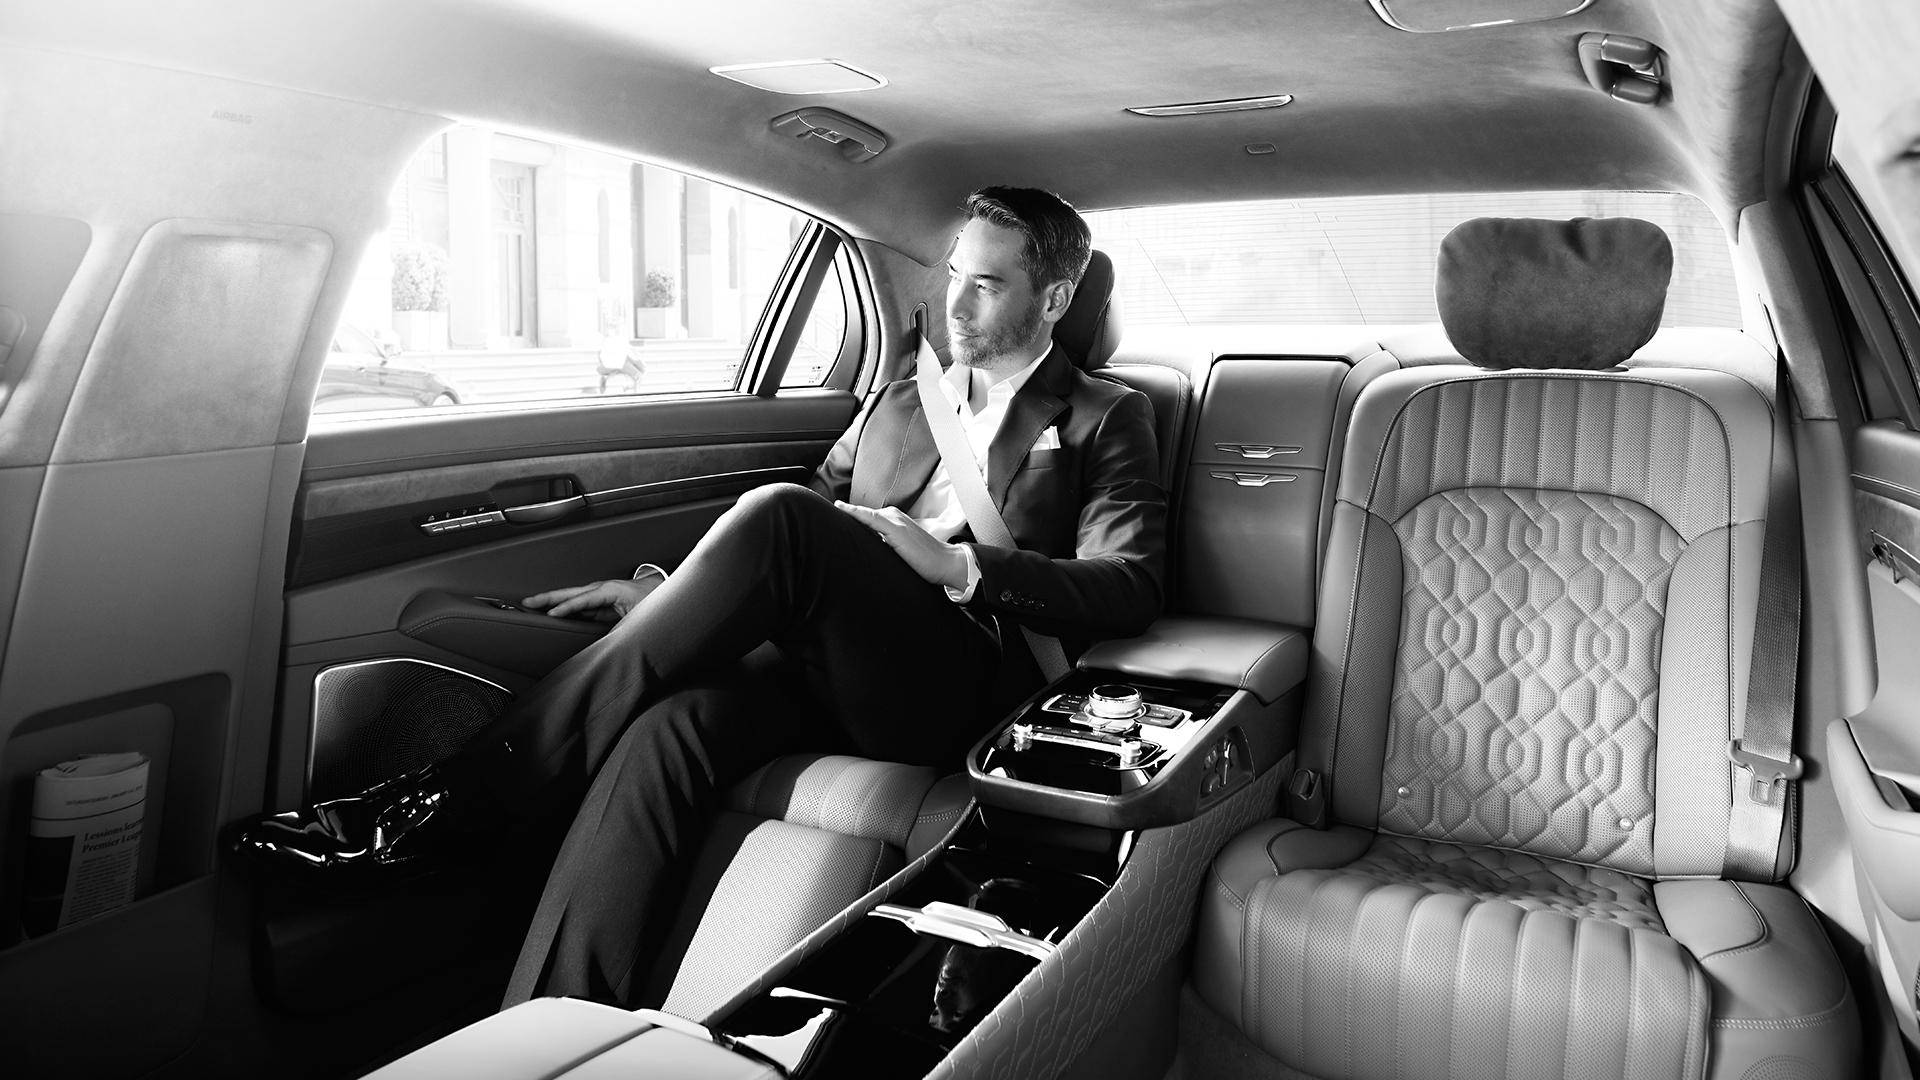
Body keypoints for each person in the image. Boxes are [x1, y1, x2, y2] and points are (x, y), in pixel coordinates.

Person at [232, 186, 1167, 1006]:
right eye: (954, 275)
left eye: (987, 284)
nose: (955, 302)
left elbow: (1127, 587)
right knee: (665, 730)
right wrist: (665, 596)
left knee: (784, 514)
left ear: (1054, 298)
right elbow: (818, 526)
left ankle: (441, 808)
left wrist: (957, 566)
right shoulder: (901, 398)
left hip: (955, 684)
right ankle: (560, 1019)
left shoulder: (1105, 414)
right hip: (826, 667)